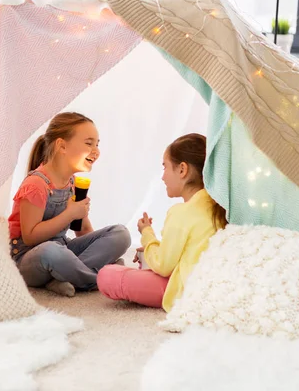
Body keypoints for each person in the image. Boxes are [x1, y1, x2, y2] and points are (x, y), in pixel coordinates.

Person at [97, 133, 227, 311]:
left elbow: (164, 267)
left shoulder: (182, 212)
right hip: (211, 283)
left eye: (165, 167)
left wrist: (147, 234)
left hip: (186, 290)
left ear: (182, 170)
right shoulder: (217, 206)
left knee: (107, 275)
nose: (163, 176)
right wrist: (154, 248)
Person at [8, 112, 131, 297]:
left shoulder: (72, 183)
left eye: (97, 144)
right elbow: (30, 237)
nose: (96, 150)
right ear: (62, 145)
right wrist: (69, 214)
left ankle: (63, 277)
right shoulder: (36, 185)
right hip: (28, 258)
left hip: (62, 248)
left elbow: (82, 231)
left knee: (120, 233)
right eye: (89, 143)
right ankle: (99, 279)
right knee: (51, 251)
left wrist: (104, 249)